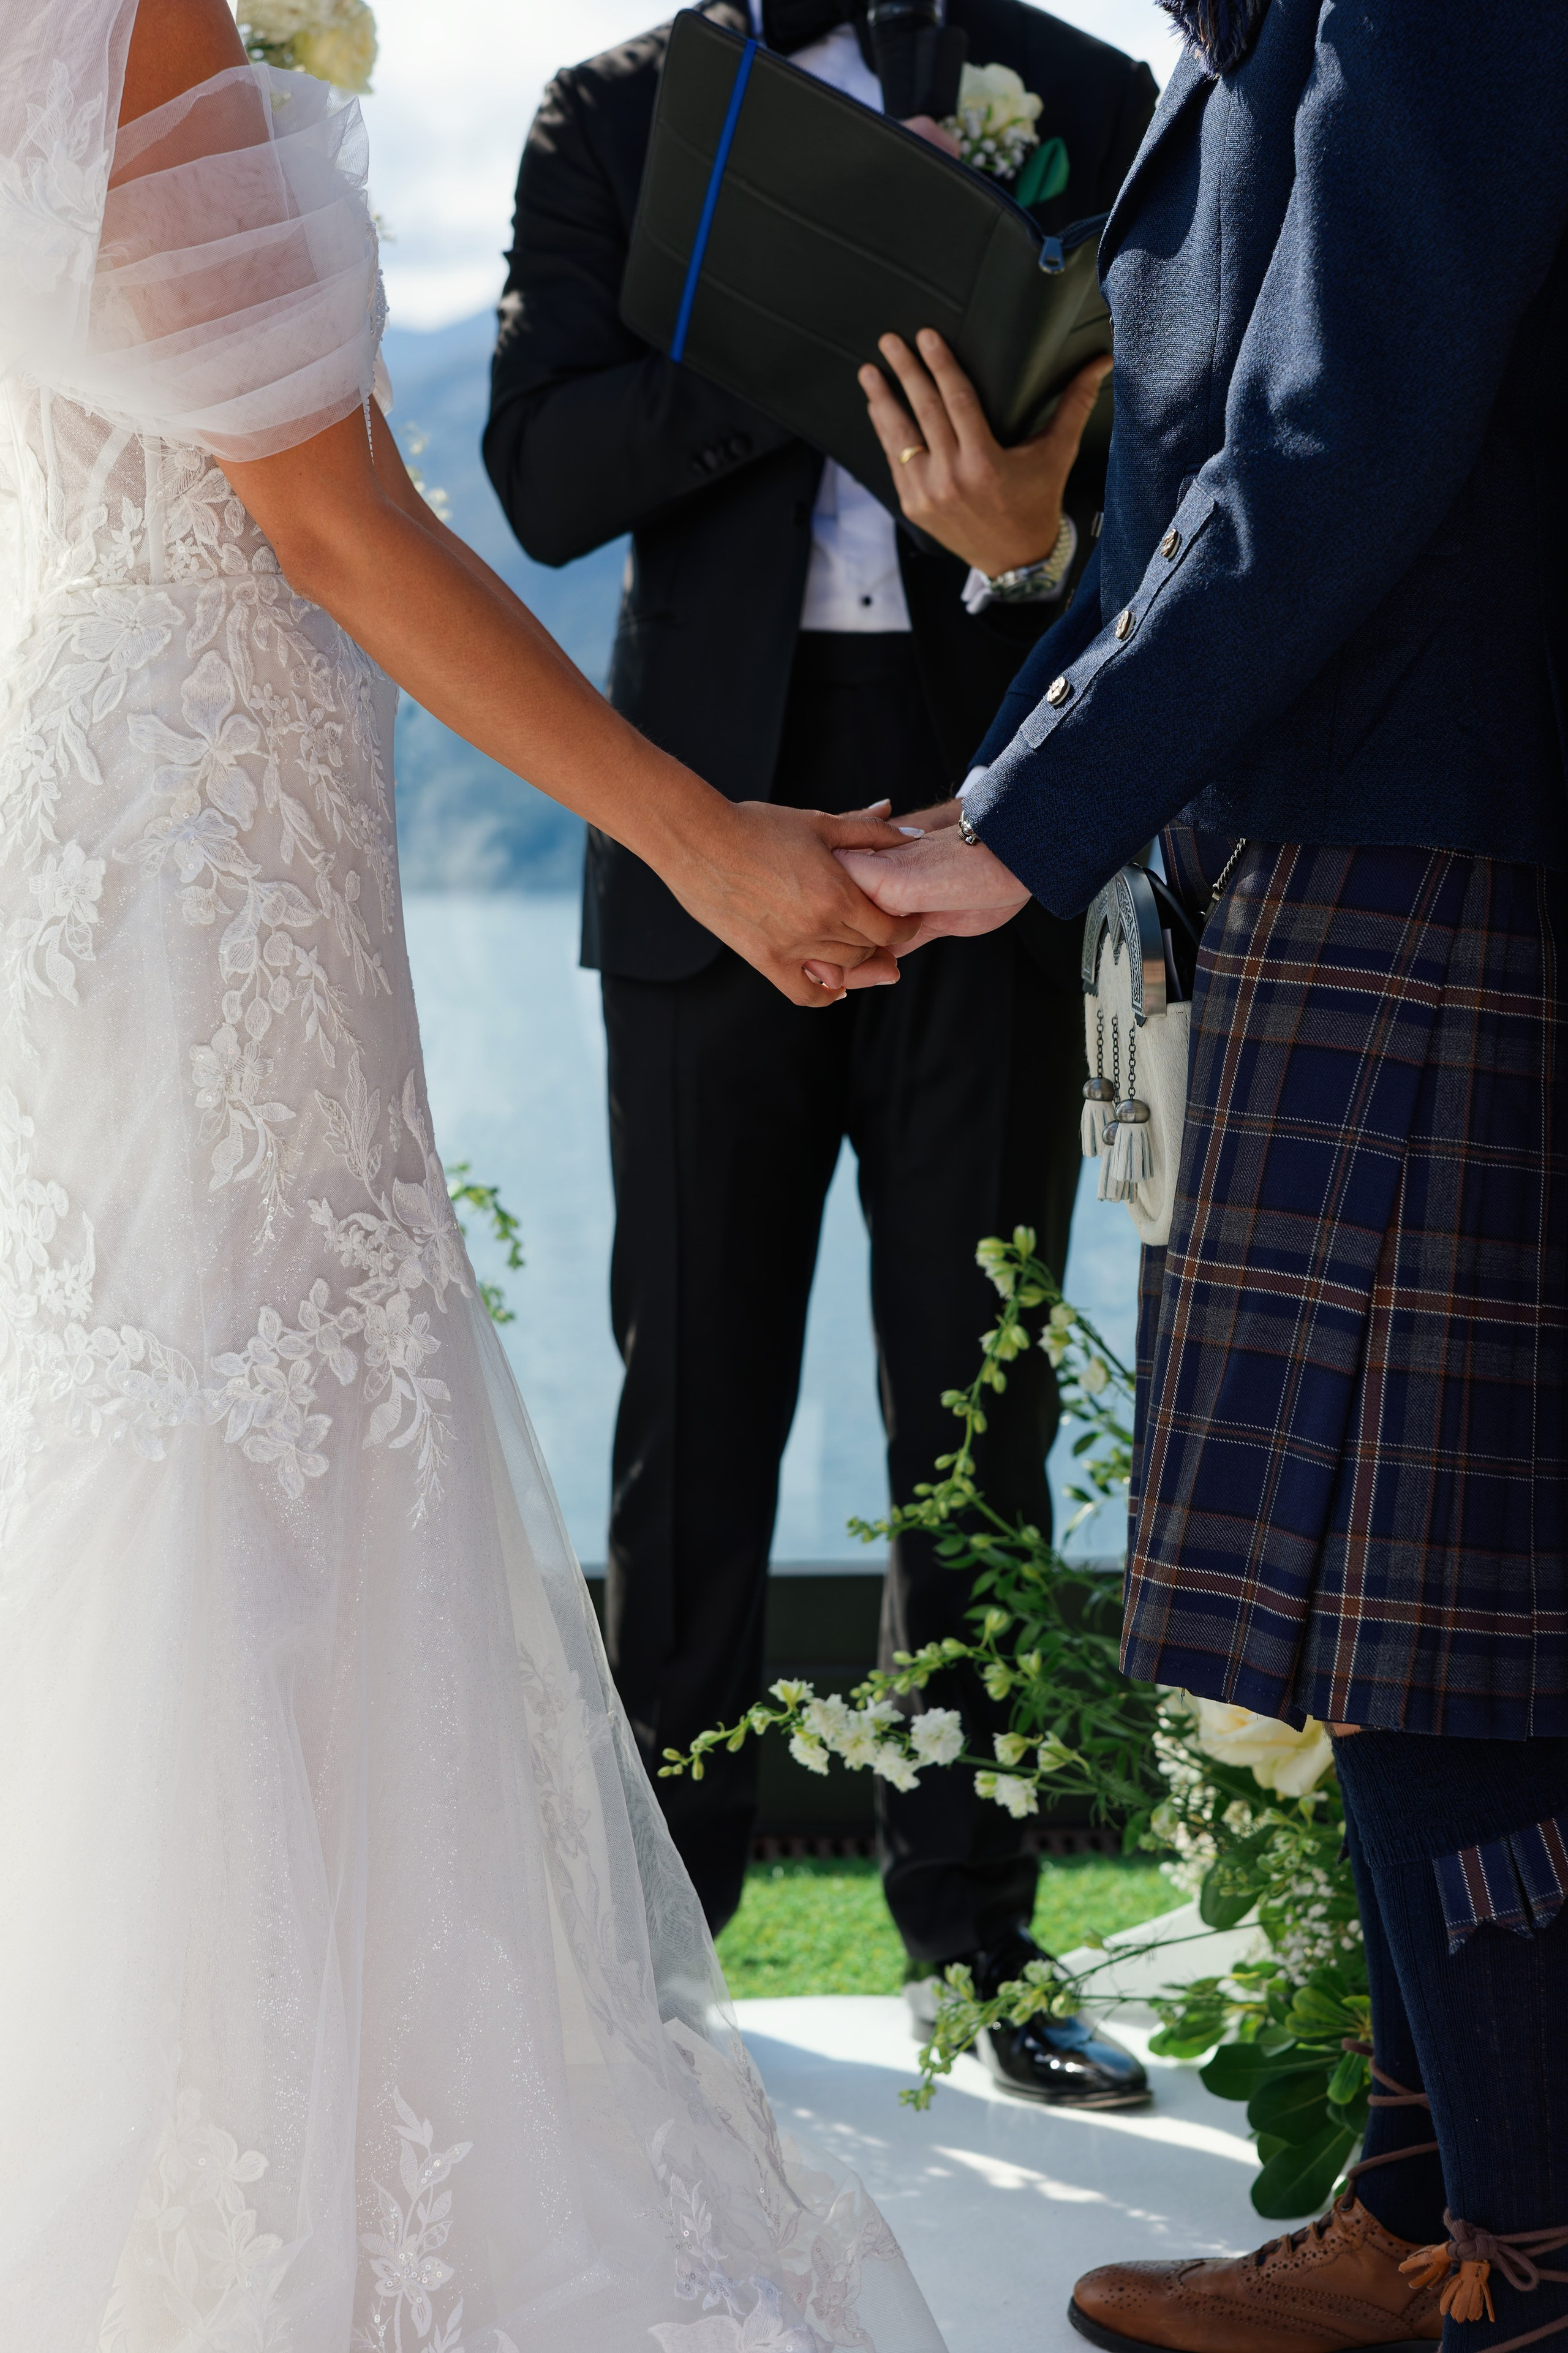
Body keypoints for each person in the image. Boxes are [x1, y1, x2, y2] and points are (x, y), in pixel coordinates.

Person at [0, 1, 954, 2346]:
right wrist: (699, 834)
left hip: (163, 807)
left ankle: (236, 2110)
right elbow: (338, 514)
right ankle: (236, 2160)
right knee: (244, 1422)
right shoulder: (123, 16)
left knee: (232, 1421)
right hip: (205, 838)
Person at [842, 0, 1568, 2345]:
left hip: (1435, 843)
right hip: (1315, 850)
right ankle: (1421, 2207)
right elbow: (1177, 503)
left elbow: (1342, 442)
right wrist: (1001, 801)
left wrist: (1019, 832)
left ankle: (1535, 2264)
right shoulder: (1250, 41)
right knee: (1377, 1611)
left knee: (1435, 1613)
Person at [483, 0, 1158, 2104]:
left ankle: (977, 1946)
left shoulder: (1096, 101)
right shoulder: (614, 117)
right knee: (692, 1409)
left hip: (994, 811)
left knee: (983, 1399)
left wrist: (1021, 498)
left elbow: (1162, 500)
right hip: (705, 823)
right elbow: (543, 475)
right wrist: (826, 350)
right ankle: (659, 1969)